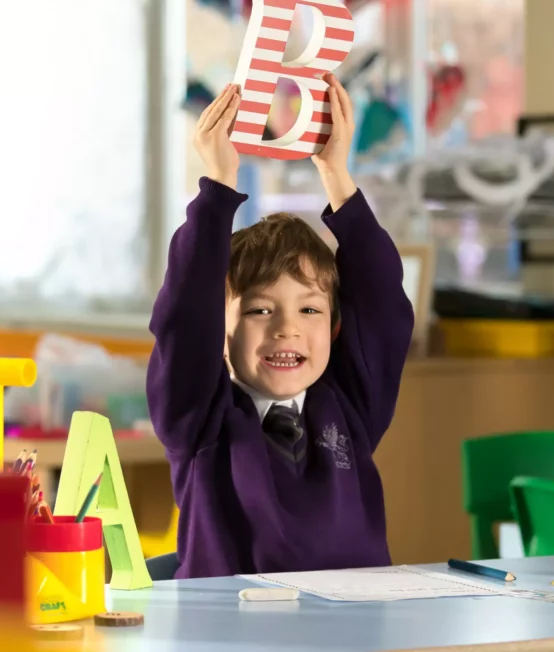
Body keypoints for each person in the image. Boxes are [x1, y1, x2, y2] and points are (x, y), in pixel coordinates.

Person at [147, 74, 415, 579]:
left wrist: (336, 173)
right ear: (219, 329)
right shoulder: (198, 419)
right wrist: (220, 184)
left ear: (335, 327)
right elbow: (184, 314)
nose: (286, 330)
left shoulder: (351, 407)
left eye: (309, 310)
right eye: (259, 310)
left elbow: (382, 305)